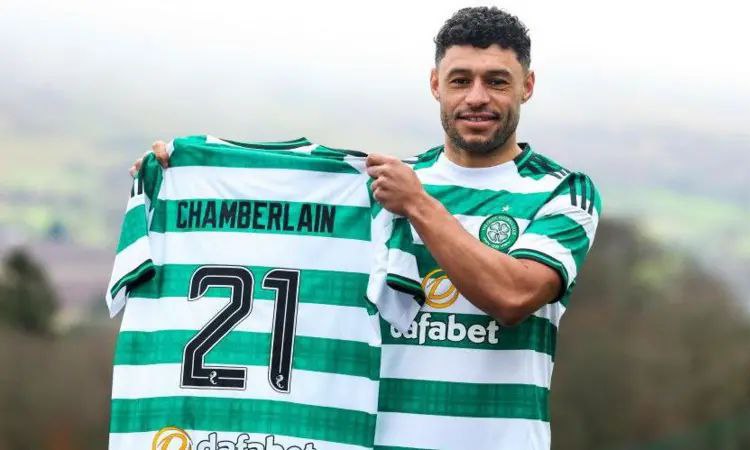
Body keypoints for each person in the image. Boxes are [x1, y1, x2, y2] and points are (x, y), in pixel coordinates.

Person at [131, 7, 600, 449]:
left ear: (527, 86)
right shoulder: (377, 189)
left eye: (497, 81)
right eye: (461, 80)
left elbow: (514, 296)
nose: (477, 97)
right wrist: (182, 180)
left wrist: (418, 204)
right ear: (435, 84)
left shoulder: (562, 191)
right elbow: (278, 230)